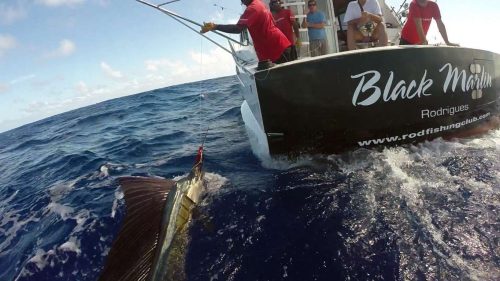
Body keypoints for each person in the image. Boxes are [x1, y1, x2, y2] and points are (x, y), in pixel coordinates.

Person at [200, 0, 292, 70]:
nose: (242, 2)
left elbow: (237, 29)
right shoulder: (259, 4)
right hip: (279, 48)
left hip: (277, 50)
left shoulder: (252, 9)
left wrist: (215, 26)